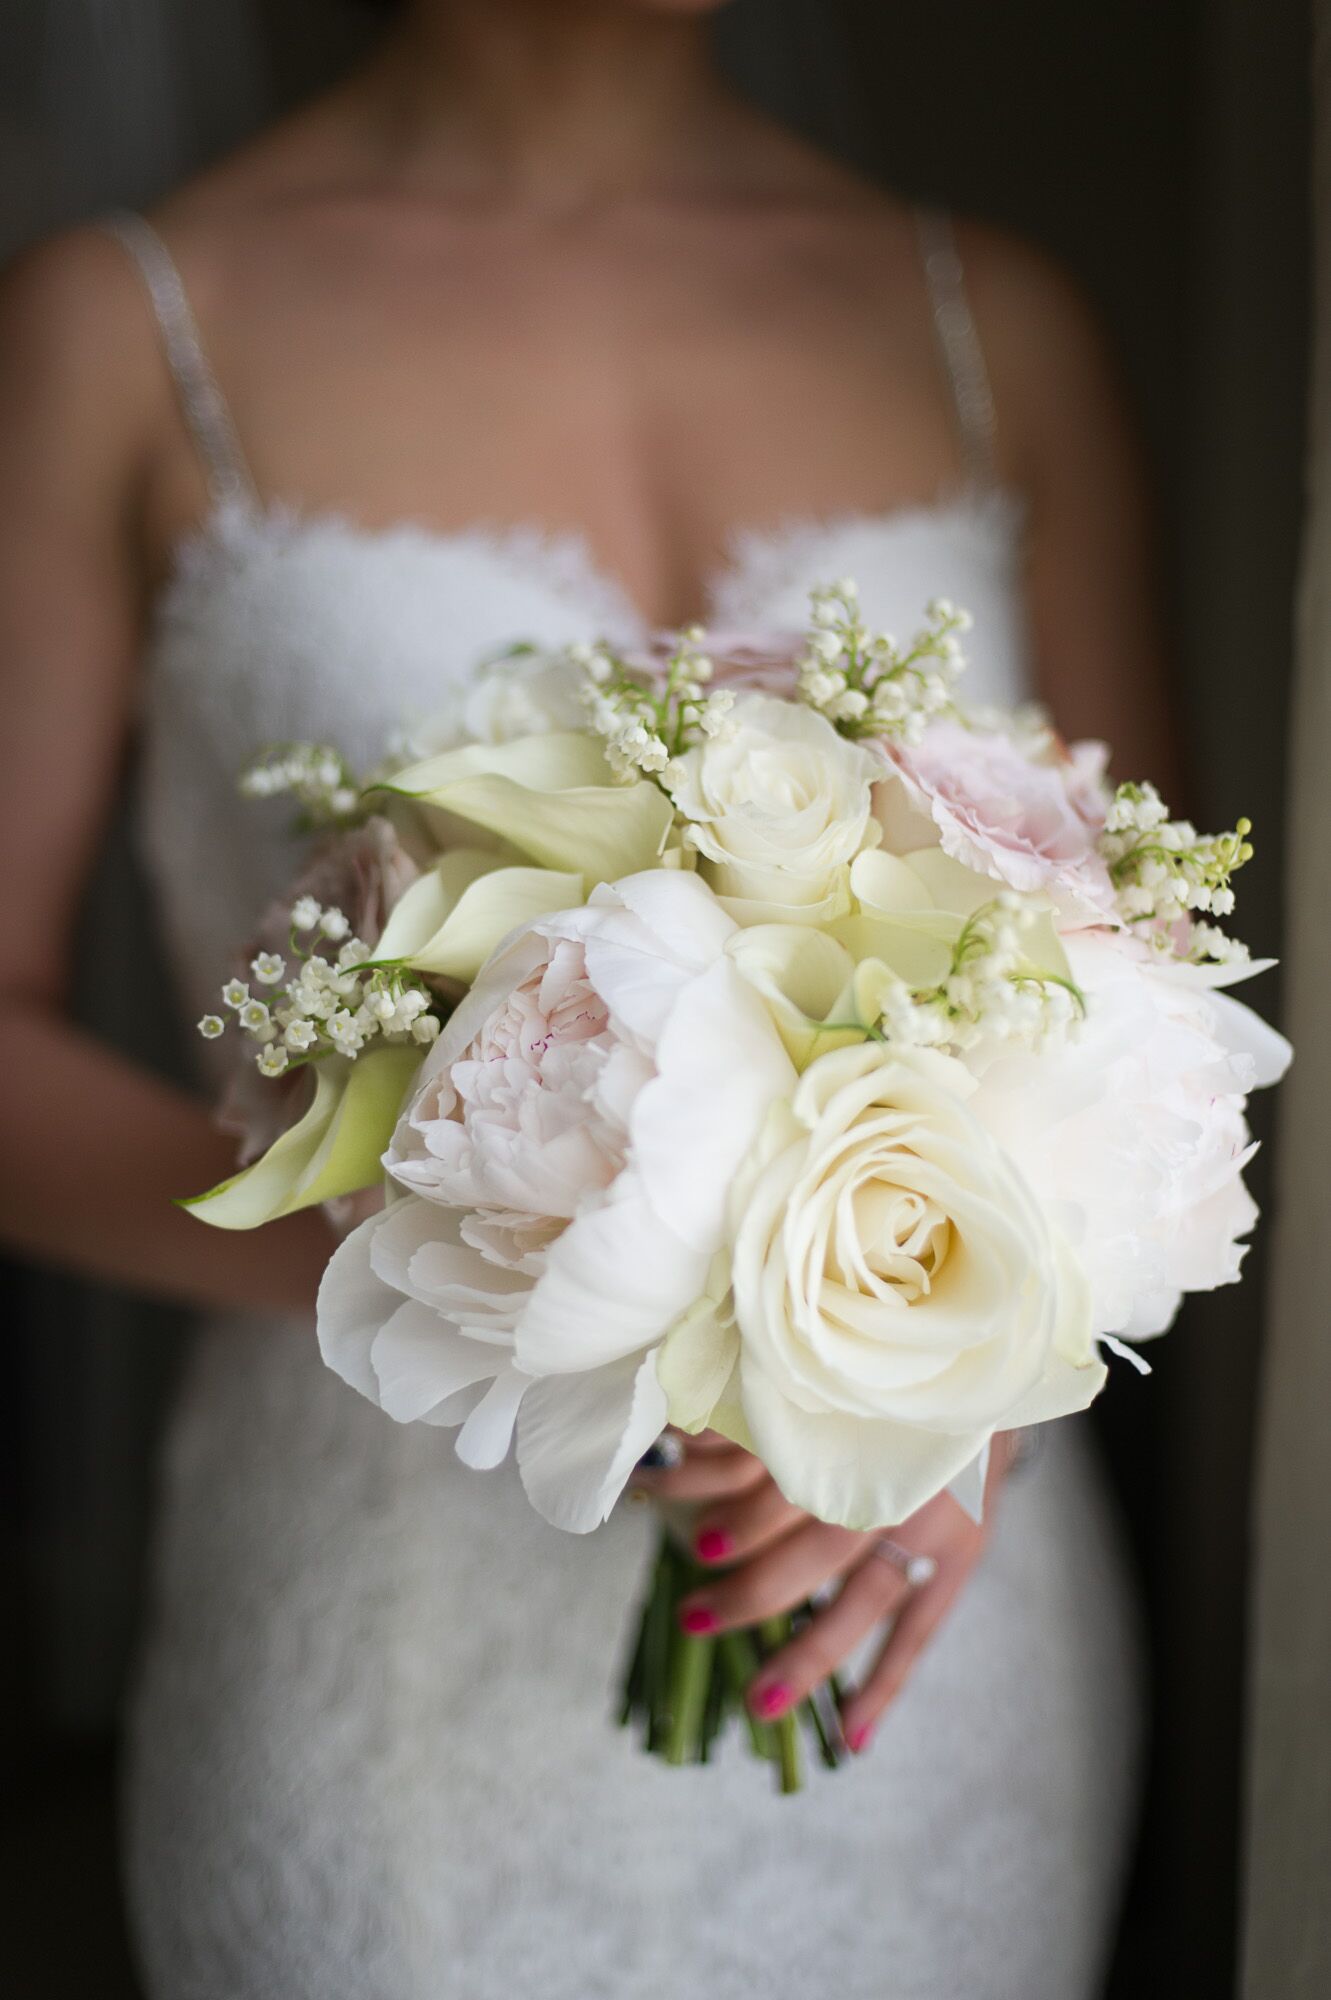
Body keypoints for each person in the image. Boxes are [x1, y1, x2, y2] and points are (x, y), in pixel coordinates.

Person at [0, 2, 1165, 1993]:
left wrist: (976, 1385)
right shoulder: (127, 322)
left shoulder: (994, 323)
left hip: (913, 1600)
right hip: (389, 1656)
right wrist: (455, 1246)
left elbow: (1134, 995)